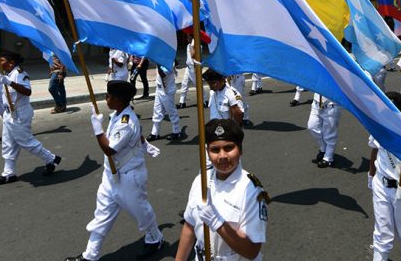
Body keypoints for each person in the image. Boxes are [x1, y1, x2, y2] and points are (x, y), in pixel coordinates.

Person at [66, 80, 163, 261]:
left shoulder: (126, 121)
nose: (106, 98)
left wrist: (97, 129)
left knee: (141, 212)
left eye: (108, 96)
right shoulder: (119, 115)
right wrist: (144, 143)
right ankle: (90, 255)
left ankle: (155, 238)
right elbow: (133, 135)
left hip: (129, 177)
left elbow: (110, 149)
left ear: (118, 99)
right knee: (102, 215)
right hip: (111, 176)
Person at [175, 119, 268, 261]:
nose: (222, 156)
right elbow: (189, 227)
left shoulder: (251, 190)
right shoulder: (200, 181)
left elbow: (252, 251)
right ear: (207, 152)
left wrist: (217, 223)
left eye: (229, 148)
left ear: (240, 149)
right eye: (215, 150)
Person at [0, 51, 61, 186]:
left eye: (2, 60)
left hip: (20, 114)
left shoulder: (19, 73)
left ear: (11, 63)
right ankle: (8, 173)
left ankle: (51, 158)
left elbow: (27, 92)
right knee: (8, 144)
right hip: (8, 114)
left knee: (26, 142)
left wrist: (10, 83)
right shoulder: (6, 73)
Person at [368, 92, 401, 261]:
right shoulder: (379, 125)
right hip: (381, 185)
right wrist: (371, 174)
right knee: (382, 233)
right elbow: (375, 149)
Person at [147, 62, 183, 141]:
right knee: (157, 110)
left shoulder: (169, 59)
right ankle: (155, 133)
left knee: (171, 111)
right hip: (159, 88)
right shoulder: (161, 58)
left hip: (167, 90)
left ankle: (176, 131)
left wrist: (158, 62)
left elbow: (162, 74)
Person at [308, 93, 341, 168]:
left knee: (329, 134)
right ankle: (323, 149)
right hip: (316, 103)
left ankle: (328, 158)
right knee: (312, 126)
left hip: (332, 106)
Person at [178, 35, 208, 108]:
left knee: (198, 85)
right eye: (187, 37)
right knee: (184, 85)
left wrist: (192, 45)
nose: (188, 39)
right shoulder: (188, 45)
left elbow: (193, 55)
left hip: (195, 68)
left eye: (190, 38)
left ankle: (205, 100)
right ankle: (182, 102)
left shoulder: (198, 46)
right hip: (188, 68)